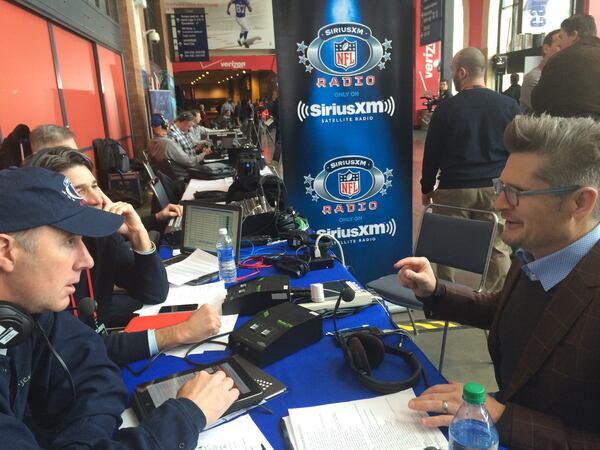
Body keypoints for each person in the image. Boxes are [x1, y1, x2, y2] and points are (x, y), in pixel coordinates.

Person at [0, 165, 239, 448]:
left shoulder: (34, 313)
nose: (86, 260)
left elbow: (98, 370)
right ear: (6, 251)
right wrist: (184, 418)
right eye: (68, 241)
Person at [398, 114, 600, 449]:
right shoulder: (537, 251)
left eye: (516, 193)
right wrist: (437, 291)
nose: (499, 203)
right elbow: (504, 309)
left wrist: (504, 418)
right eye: (501, 187)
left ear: (580, 202)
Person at [28, 147, 222, 366]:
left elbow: (154, 292)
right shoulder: (39, 266)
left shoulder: (100, 236)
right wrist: (177, 333)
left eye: (95, 186)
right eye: (79, 191)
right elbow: (75, 352)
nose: (96, 199)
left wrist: (138, 234)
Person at [421, 47, 519, 291]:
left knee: (447, 246)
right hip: (495, 189)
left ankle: (446, 298)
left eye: (453, 70)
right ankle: (495, 301)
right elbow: (518, 150)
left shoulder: (446, 109)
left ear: (462, 72)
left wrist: (426, 187)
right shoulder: (509, 106)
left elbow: (432, 151)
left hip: (455, 187)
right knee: (498, 246)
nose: (452, 75)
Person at [29, 123, 182, 226]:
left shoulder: (87, 187)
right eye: (61, 154)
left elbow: (113, 222)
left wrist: (157, 217)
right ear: (38, 157)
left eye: (73, 153)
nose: (96, 199)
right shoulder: (37, 209)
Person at [532, 14, 600, 118]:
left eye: (561, 37)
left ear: (574, 35)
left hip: (571, 129)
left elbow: (538, 101)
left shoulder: (561, 59)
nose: (560, 43)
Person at [150, 114, 210, 181]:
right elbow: (190, 162)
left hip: (169, 179)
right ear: (165, 125)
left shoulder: (151, 142)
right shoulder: (168, 143)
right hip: (184, 176)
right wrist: (204, 153)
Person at [520, 29, 561, 114]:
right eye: (560, 47)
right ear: (546, 49)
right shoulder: (534, 78)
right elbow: (552, 112)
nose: (565, 51)